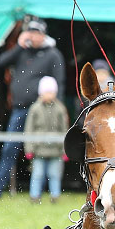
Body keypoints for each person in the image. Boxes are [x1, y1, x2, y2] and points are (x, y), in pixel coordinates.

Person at [0, 18, 65, 198]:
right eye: (31, 33)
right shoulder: (22, 52)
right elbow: (1, 62)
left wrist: (57, 109)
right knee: (9, 149)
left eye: (37, 33)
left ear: (43, 35)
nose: (33, 37)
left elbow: (60, 83)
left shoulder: (53, 54)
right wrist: (19, 46)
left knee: (44, 150)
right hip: (19, 109)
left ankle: (40, 193)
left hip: (42, 111)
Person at [24, 76, 69, 204]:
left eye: (51, 92)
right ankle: (34, 196)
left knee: (55, 175)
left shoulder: (60, 109)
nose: (49, 94)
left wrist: (65, 150)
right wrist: (29, 148)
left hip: (56, 150)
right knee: (37, 174)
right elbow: (29, 130)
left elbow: (64, 130)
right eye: (46, 92)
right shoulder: (35, 109)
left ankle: (55, 196)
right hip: (38, 150)